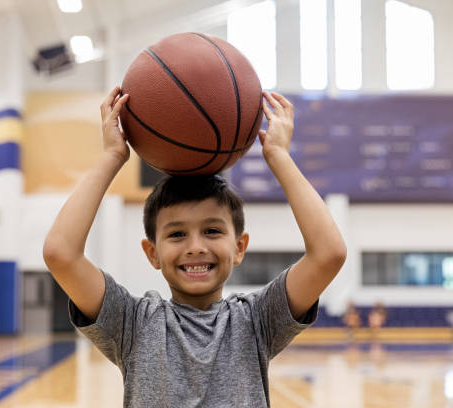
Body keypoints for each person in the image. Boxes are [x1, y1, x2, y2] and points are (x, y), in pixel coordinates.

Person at [43, 86, 347, 407]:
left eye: (212, 231)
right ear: (152, 253)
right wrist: (111, 156)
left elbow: (329, 254)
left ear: (240, 247)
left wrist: (279, 157)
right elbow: (60, 254)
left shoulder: (256, 320)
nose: (196, 247)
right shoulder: (132, 323)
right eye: (176, 235)